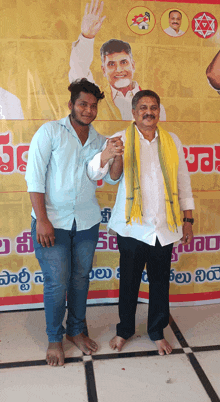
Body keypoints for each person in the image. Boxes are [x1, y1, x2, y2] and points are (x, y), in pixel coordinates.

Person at [88, 89, 194, 355]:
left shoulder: (172, 141)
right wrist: (110, 154)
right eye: (143, 107)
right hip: (132, 227)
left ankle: (157, 332)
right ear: (133, 113)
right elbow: (100, 174)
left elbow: (183, 181)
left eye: (154, 107)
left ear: (159, 111)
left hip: (165, 228)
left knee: (160, 283)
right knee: (129, 284)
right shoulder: (120, 139)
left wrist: (188, 218)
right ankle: (124, 330)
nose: (149, 112)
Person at [25, 78, 122, 366]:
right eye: (83, 104)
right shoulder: (50, 132)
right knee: (57, 283)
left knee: (80, 279)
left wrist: (114, 153)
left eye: (93, 106)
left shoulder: (99, 141)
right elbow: (34, 179)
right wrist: (42, 219)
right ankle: (55, 338)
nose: (88, 110)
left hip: (87, 223)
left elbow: (107, 176)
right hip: (52, 222)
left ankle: (75, 331)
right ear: (71, 105)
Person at [69, 0, 166, 121]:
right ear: (103, 70)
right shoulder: (97, 100)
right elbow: (78, 71)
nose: (119, 69)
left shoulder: (154, 108)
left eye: (124, 62)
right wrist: (87, 37)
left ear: (133, 65)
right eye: (111, 64)